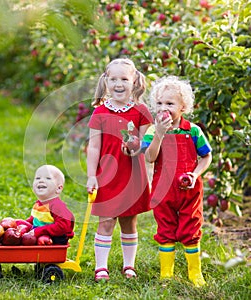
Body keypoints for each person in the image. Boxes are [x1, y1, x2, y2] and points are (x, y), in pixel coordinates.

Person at [86, 58, 153, 282]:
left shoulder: (141, 112)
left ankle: (128, 265)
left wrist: (135, 148)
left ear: (134, 81)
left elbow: (146, 143)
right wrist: (91, 176)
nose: (119, 83)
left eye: (124, 79)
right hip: (107, 175)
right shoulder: (100, 112)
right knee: (106, 221)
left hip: (132, 174)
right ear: (106, 81)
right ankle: (101, 267)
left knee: (128, 221)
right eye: (113, 79)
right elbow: (94, 147)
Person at [141, 75, 212, 287]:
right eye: (160, 103)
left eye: (170, 103)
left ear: (183, 107)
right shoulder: (154, 131)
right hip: (163, 190)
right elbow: (150, 158)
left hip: (189, 189)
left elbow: (206, 156)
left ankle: (195, 273)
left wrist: (195, 174)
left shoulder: (193, 131)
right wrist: (160, 135)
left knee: (191, 229)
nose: (164, 107)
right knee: (165, 228)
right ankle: (166, 273)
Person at [17, 164, 74, 245]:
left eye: (48, 178)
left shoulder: (56, 206)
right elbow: (35, 220)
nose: (41, 181)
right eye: (37, 178)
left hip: (54, 239)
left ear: (58, 188)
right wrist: (21, 225)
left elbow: (63, 226)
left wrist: (38, 231)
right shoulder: (39, 203)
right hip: (40, 234)